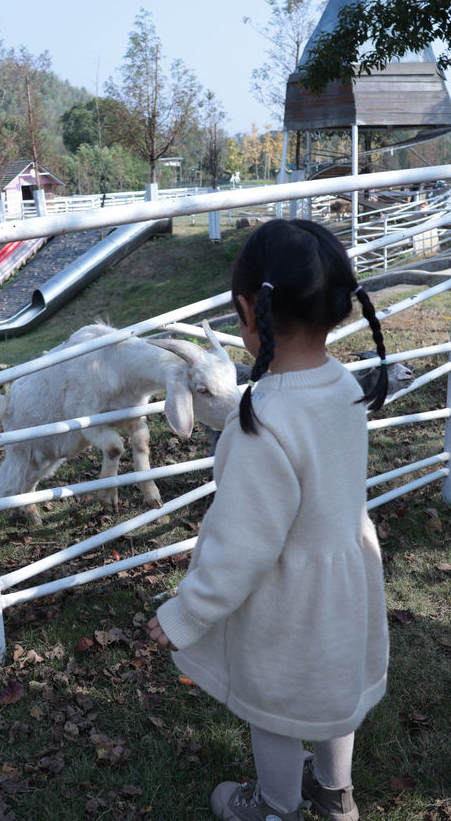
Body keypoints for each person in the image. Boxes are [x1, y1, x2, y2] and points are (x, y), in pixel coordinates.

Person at [147, 218, 390, 821]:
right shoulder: (343, 386)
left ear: (247, 311)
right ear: (336, 305)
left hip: (288, 597)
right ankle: (336, 797)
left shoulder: (263, 419)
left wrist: (184, 613)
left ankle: (276, 805)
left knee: (272, 704)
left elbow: (241, 546)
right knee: (334, 694)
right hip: (345, 581)